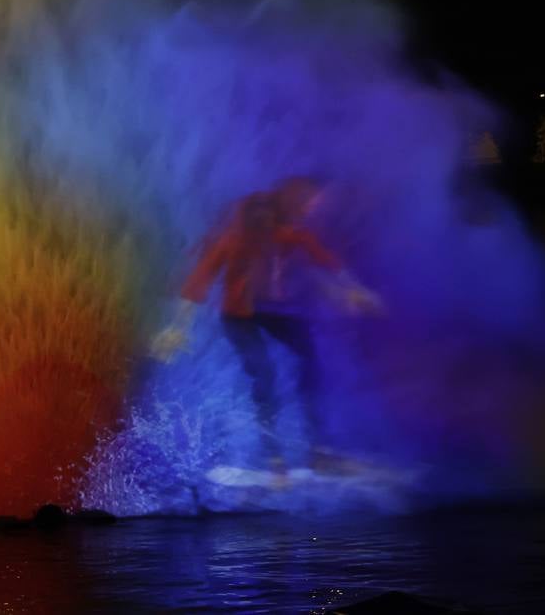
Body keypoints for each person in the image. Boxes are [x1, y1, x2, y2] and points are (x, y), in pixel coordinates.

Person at [151, 176, 379, 472]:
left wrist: (351, 288)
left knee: (309, 358)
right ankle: (274, 457)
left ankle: (319, 451)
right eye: (259, 222)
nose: (267, 230)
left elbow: (321, 256)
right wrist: (177, 328)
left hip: (270, 311)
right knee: (265, 374)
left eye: (270, 222)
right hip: (237, 316)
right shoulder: (232, 241)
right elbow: (199, 281)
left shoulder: (283, 234)